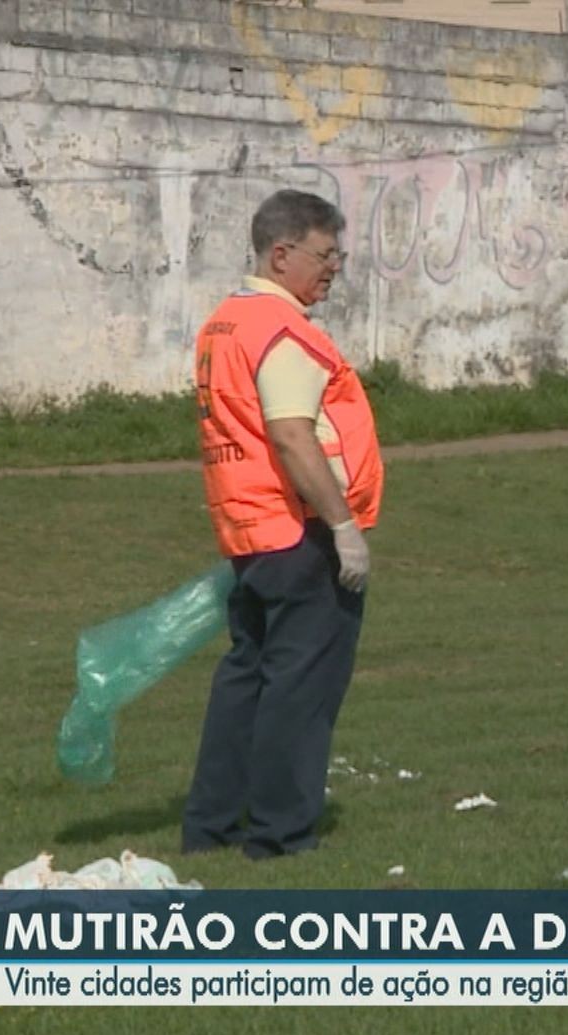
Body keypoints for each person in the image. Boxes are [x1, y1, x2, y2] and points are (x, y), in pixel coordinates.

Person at [183, 189, 384, 860]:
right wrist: (344, 527)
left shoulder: (224, 323)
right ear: (281, 253)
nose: (334, 268)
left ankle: (210, 826)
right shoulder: (285, 331)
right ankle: (280, 835)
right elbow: (293, 436)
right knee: (301, 687)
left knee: (247, 676)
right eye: (326, 255)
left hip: (248, 530)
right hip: (299, 531)